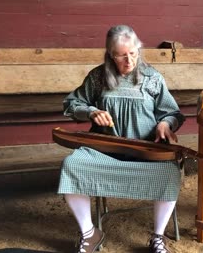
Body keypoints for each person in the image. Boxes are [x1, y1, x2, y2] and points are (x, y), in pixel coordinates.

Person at [57, 25, 185, 253]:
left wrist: (165, 124)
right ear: (110, 55)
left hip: (146, 149)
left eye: (133, 53)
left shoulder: (152, 78)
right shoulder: (98, 77)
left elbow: (172, 113)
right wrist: (91, 112)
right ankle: (89, 233)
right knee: (71, 165)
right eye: (121, 55)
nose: (129, 60)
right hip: (103, 148)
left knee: (170, 172)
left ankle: (157, 237)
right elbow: (71, 104)